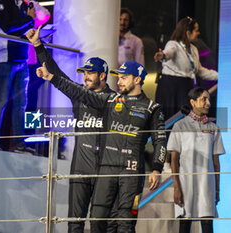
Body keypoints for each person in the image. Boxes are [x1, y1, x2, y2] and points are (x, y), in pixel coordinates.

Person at [36, 60, 166, 233]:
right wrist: (52, 78)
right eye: (118, 78)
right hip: (106, 171)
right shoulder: (110, 100)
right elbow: (78, 92)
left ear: (137, 80)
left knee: (125, 223)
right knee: (97, 220)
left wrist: (157, 168)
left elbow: (160, 141)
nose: (118, 82)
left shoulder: (152, 107)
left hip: (133, 173)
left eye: (124, 78)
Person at [27, 26, 116, 233]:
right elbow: (59, 75)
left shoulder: (112, 99)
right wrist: (38, 46)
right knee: (74, 223)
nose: (85, 77)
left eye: (90, 73)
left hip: (105, 170)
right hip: (79, 169)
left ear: (103, 76)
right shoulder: (79, 93)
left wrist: (54, 79)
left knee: (99, 225)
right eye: (84, 73)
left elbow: (62, 82)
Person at [168, 87, 224, 233]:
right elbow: (174, 160)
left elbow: (216, 162)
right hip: (186, 185)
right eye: (204, 99)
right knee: (185, 225)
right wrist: (176, 188)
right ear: (193, 102)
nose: (208, 103)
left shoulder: (214, 128)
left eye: (209, 99)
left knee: (207, 226)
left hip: (207, 185)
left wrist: (217, 189)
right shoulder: (179, 126)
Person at [0, 0, 36, 152]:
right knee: (0, 103)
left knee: (21, 104)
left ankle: (19, 145)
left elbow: (23, 28)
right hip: (5, 59)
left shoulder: (23, 5)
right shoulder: (1, 2)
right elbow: (8, 27)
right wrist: (28, 20)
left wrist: (29, 25)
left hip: (23, 60)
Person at [154, 17, 218, 120]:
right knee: (171, 119)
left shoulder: (194, 49)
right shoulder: (173, 44)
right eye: (196, 30)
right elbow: (169, 53)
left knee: (184, 120)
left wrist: (221, 75)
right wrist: (163, 55)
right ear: (188, 33)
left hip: (185, 88)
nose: (199, 33)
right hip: (171, 88)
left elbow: (200, 71)